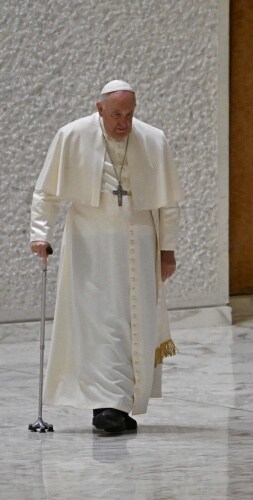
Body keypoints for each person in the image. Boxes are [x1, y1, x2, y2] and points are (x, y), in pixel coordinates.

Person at [29, 80, 184, 433]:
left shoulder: (153, 140)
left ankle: (124, 403)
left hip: (141, 244)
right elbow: (47, 192)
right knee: (100, 321)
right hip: (90, 246)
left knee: (135, 322)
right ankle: (106, 406)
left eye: (129, 115)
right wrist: (40, 234)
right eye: (116, 115)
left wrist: (167, 250)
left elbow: (167, 203)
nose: (123, 123)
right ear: (99, 108)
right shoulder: (72, 136)